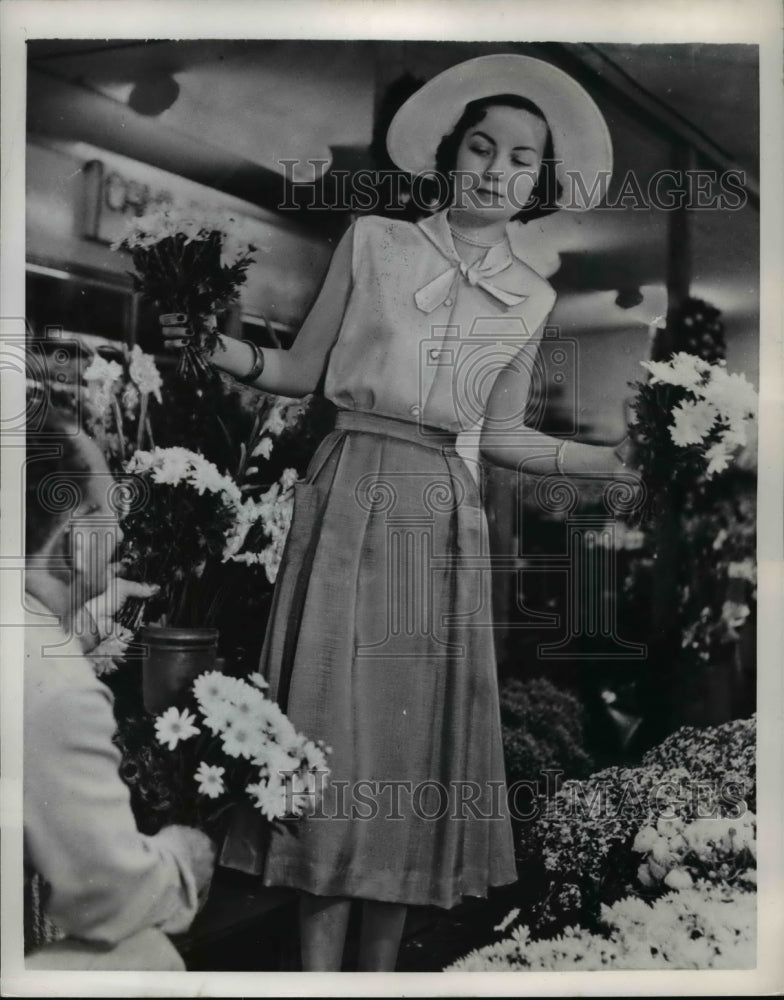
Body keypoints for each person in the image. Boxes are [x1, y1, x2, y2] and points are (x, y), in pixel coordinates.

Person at [161, 53, 633, 972]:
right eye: (481, 147)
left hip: (440, 519)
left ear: (539, 181)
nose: (496, 170)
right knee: (330, 744)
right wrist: (211, 345)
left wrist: (608, 462)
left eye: (521, 159)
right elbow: (300, 373)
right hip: (346, 497)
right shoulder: (372, 240)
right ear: (450, 154)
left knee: (408, 756)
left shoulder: (531, 297)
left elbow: (501, 435)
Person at [23, 408, 216, 970]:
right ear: (79, 537)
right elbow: (109, 897)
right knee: (146, 955)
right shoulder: (55, 682)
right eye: (111, 515)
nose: (122, 533)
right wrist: (183, 858)